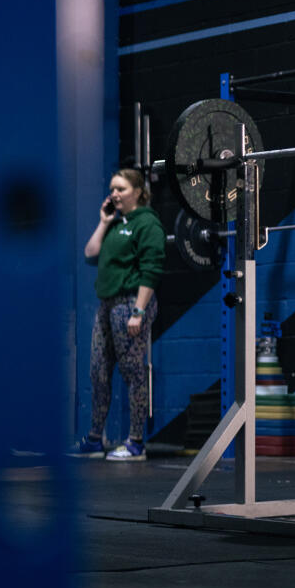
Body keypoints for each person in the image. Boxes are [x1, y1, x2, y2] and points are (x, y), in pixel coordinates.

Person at [72, 167, 166, 462]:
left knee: (134, 373)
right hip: (107, 305)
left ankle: (136, 442)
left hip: (131, 304)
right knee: (98, 371)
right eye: (112, 188)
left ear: (138, 192)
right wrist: (103, 222)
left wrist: (138, 311)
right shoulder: (115, 223)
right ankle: (95, 439)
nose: (114, 193)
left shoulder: (147, 223)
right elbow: (90, 253)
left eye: (121, 189)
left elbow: (151, 269)